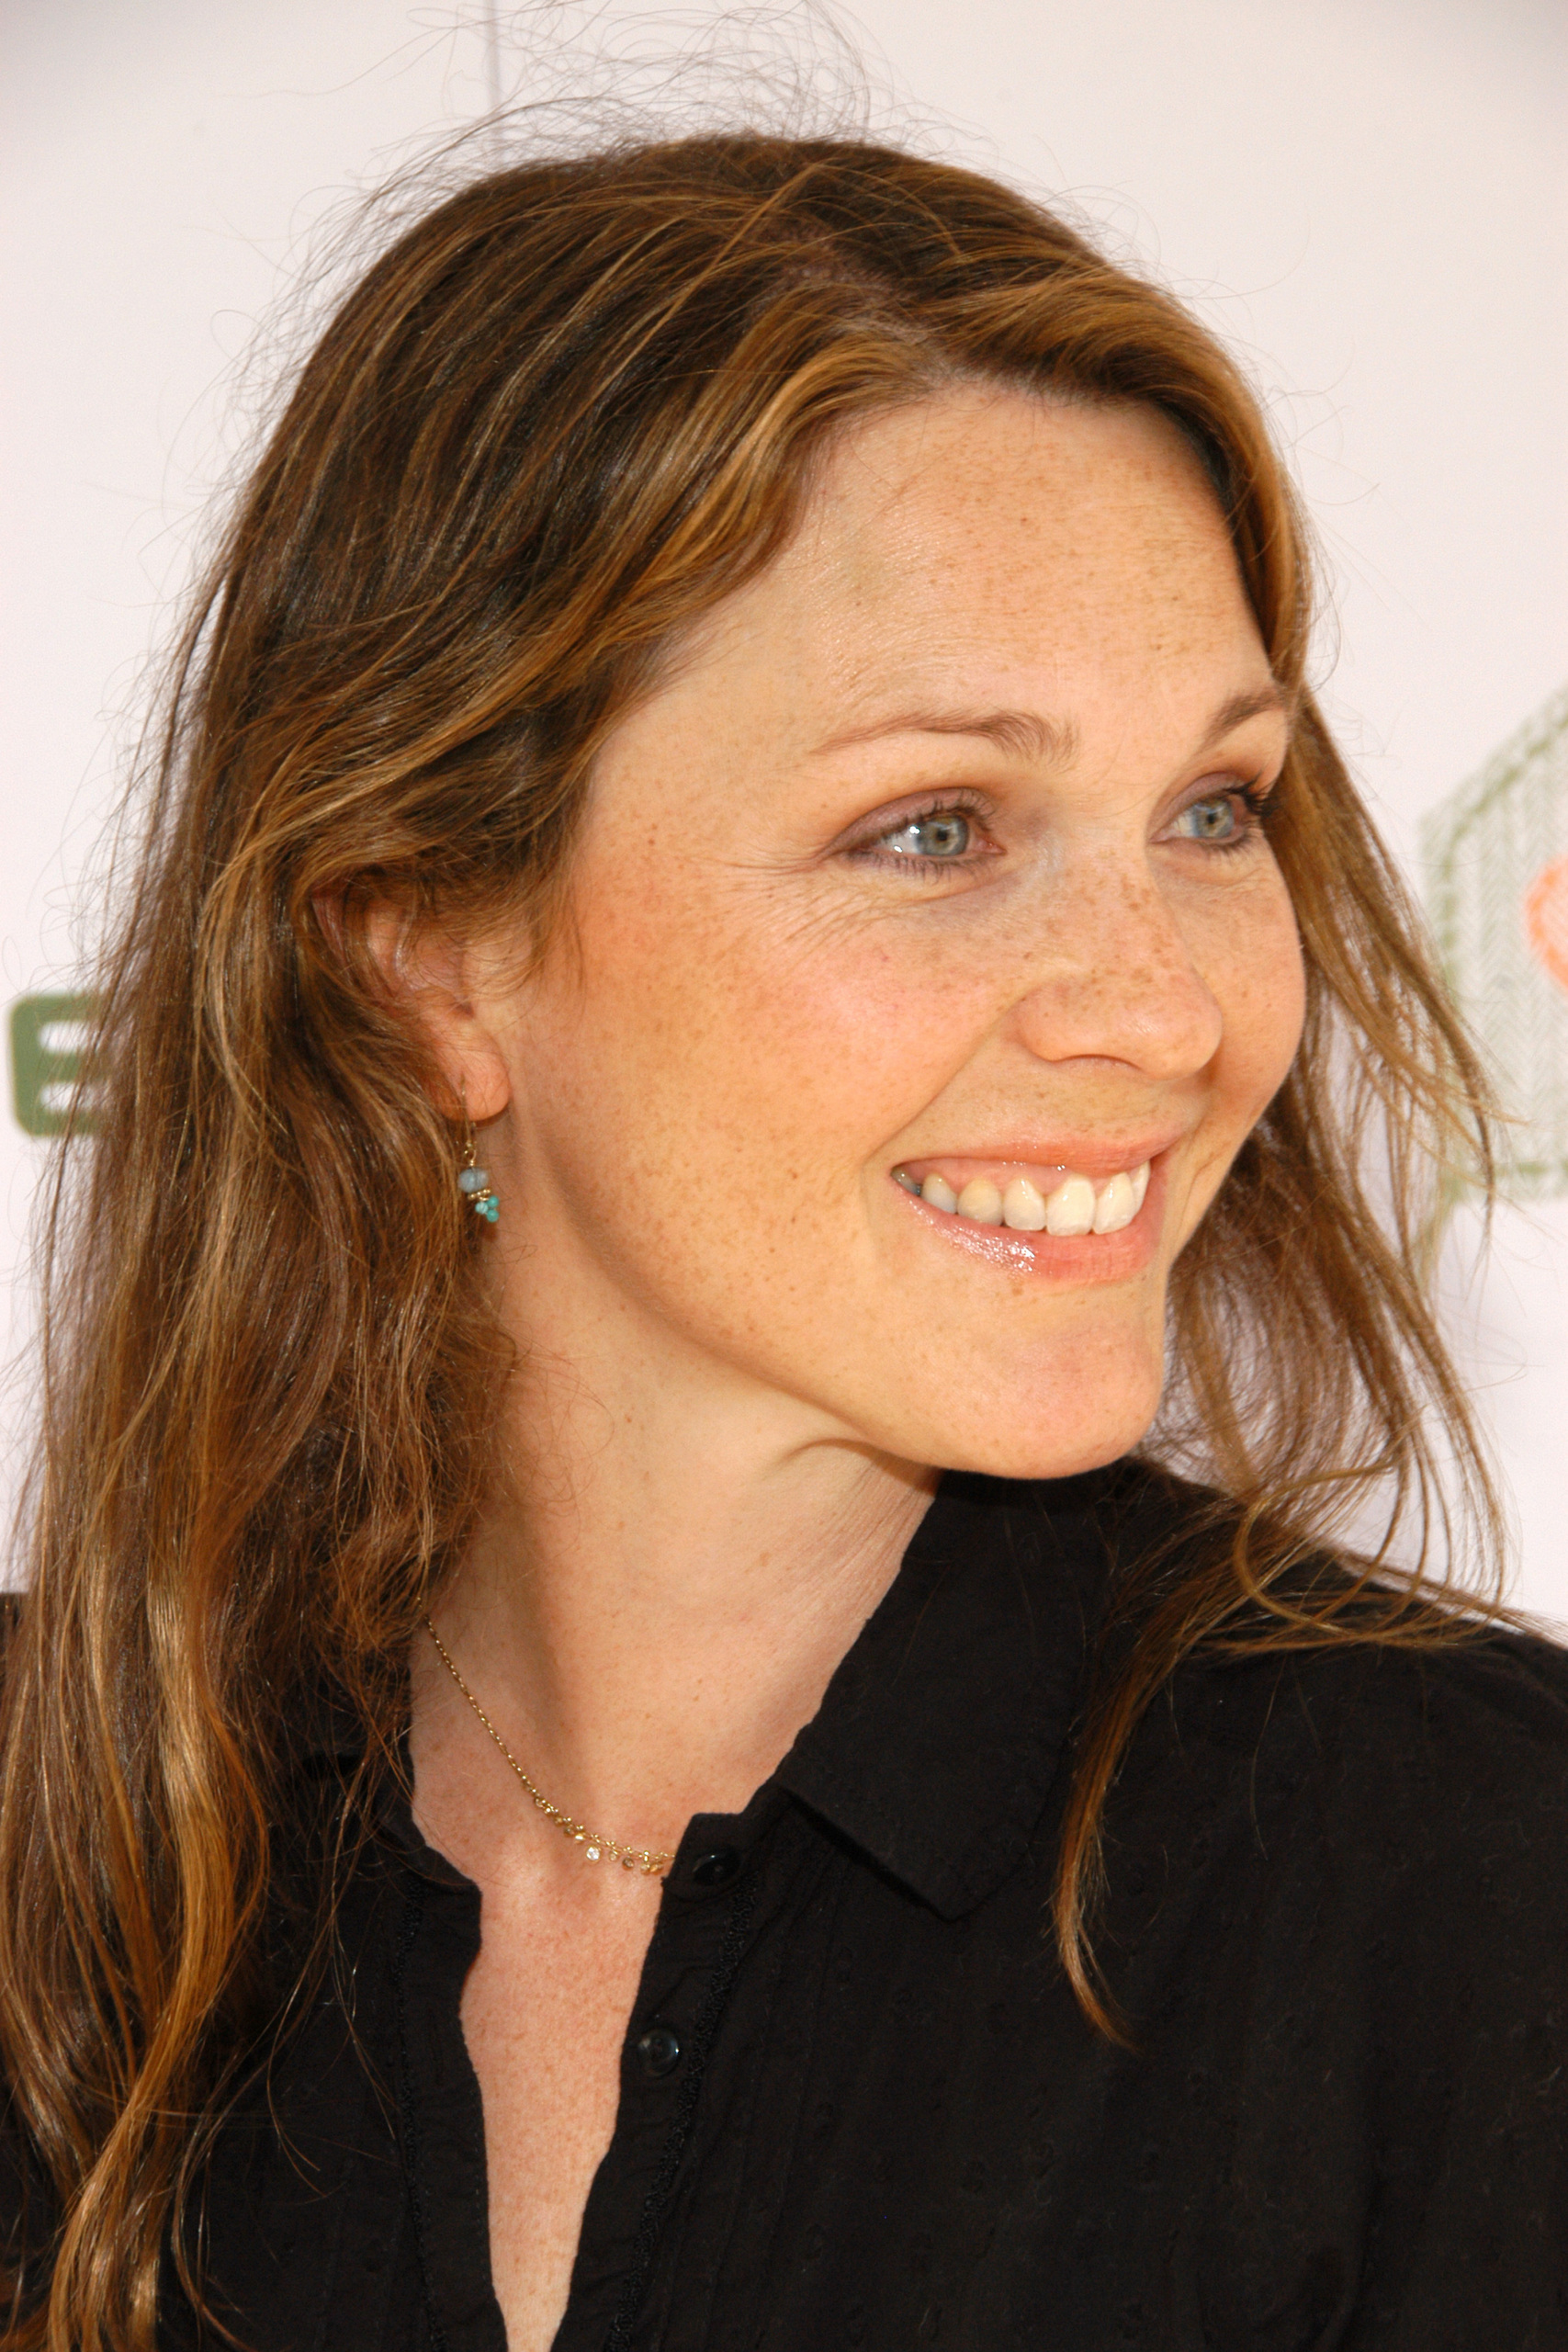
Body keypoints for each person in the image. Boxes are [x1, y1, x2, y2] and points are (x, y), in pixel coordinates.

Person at [1, 130, 1563, 2352]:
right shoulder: (56, 1832)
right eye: (933, 828)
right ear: (426, 945)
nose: (1163, 1009)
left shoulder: (1473, 1885)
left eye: (1211, 808)